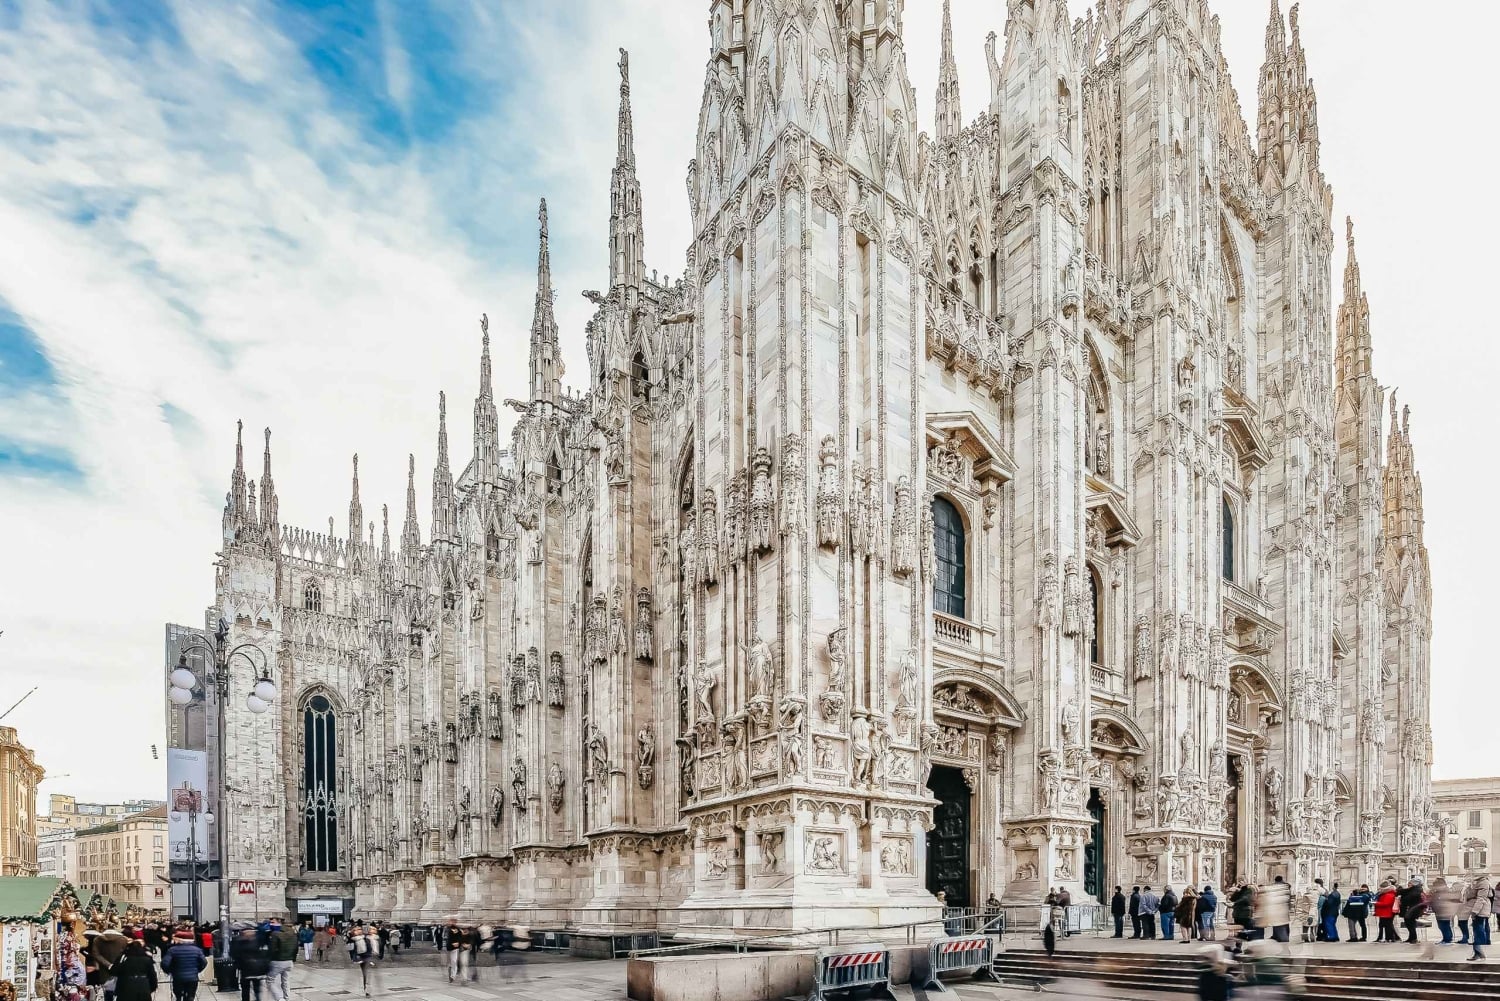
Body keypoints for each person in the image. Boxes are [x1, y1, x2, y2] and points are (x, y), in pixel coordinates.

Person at [161, 927, 208, 1001]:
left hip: (178, 977)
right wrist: (197, 970)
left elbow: (164, 963)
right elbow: (204, 962)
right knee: (190, 996)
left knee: (178, 995)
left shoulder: (172, 950)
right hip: (193, 978)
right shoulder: (197, 950)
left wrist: (170, 971)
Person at [231, 925, 270, 1001]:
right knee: (251, 989)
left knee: (251, 989)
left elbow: (234, 954)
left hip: (251, 970)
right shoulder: (257, 941)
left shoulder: (240, 942)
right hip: (250, 970)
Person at [265, 917, 298, 1001]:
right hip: (289, 961)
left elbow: (271, 949)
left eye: (272, 922)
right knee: (286, 981)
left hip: (278, 961)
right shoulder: (292, 933)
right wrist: (293, 959)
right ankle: (287, 998)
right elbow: (296, 947)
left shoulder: (275, 933)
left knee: (269, 981)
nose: (271, 924)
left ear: (279, 922)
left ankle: (279, 998)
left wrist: (268, 960)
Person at [348, 922, 380, 998]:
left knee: (367, 974)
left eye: (360, 929)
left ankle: (367, 991)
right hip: (360, 958)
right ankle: (366, 989)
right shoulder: (353, 940)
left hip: (368, 957)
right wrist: (355, 959)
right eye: (357, 930)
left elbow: (371, 948)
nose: (359, 931)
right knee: (365, 975)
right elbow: (352, 951)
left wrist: (372, 959)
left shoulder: (366, 938)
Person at [1465, 875, 1493, 961]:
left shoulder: (1483, 883)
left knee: (1478, 930)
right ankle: (1478, 953)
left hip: (1480, 910)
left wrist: (1475, 911)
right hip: (1479, 909)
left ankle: (1479, 951)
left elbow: (1481, 898)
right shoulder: (1478, 882)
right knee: (1476, 930)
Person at [1261, 875, 1292, 943]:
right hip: (1285, 908)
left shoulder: (1276, 887)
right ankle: (1281, 936)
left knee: (1277, 923)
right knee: (1284, 923)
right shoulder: (1286, 886)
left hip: (1278, 908)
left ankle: (1282, 937)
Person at [1398, 878, 1427, 945]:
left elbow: (1410, 898)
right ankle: (1411, 937)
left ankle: (1414, 938)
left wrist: (1404, 899)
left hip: (1412, 909)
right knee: (1408, 923)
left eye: (1410, 883)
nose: (1409, 884)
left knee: (1410, 924)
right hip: (1410, 909)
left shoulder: (1416, 890)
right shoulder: (1412, 890)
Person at [1432, 876, 1459, 944]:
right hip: (1439, 911)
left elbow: (1448, 900)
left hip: (1444, 910)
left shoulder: (1445, 890)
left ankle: (1447, 939)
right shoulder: (1437, 891)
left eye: (1435, 882)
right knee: (1442, 926)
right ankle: (1446, 938)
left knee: (1444, 926)